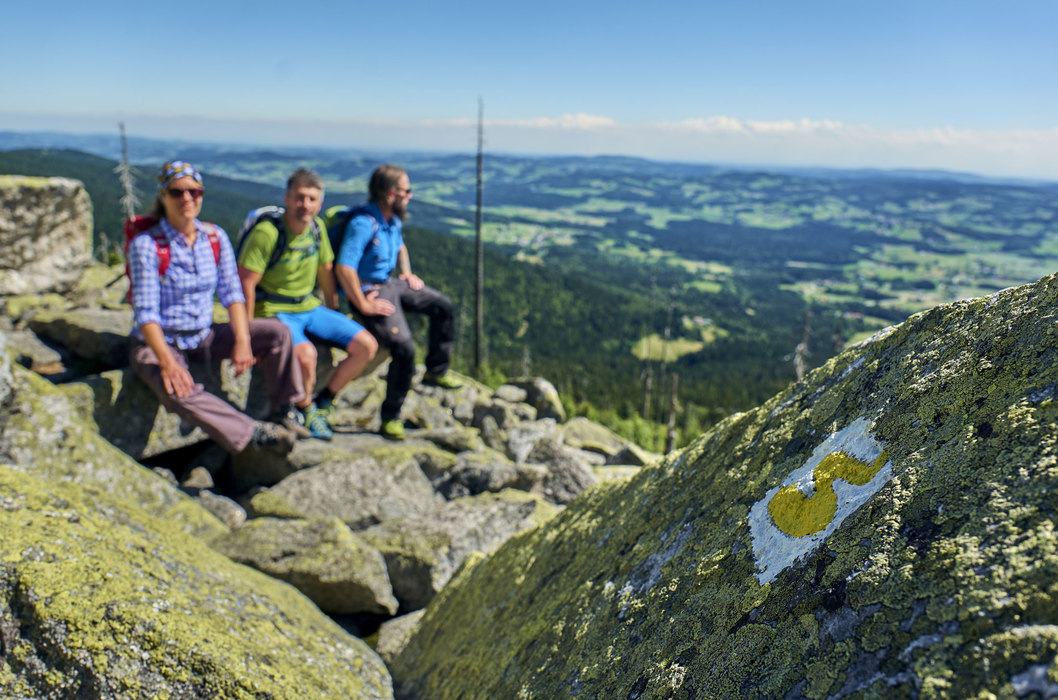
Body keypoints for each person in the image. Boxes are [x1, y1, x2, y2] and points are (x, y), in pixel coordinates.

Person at [128, 159, 306, 456]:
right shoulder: (147, 245)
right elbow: (146, 312)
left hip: (202, 333)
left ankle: (284, 410)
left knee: (277, 333)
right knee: (178, 391)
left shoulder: (214, 237)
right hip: (160, 340)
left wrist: (242, 340)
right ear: (163, 196)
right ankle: (253, 433)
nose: (187, 199)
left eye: (194, 192)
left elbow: (232, 292)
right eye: (177, 192)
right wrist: (167, 362)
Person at [237, 168, 378, 440]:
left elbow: (326, 271)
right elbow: (246, 283)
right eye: (300, 198)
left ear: (320, 203)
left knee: (366, 346)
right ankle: (306, 408)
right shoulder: (267, 233)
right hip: (274, 311)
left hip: (309, 307)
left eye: (312, 199)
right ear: (287, 198)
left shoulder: (316, 229)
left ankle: (326, 400)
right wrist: (247, 333)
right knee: (307, 356)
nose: (305, 205)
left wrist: (334, 312)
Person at [334, 165, 460, 441]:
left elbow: (400, 245)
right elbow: (345, 268)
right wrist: (363, 305)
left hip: (391, 283)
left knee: (443, 306)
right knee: (403, 348)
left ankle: (436, 371)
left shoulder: (392, 219)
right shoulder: (364, 223)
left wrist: (405, 272)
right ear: (391, 194)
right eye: (406, 191)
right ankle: (390, 418)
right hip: (368, 291)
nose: (410, 196)